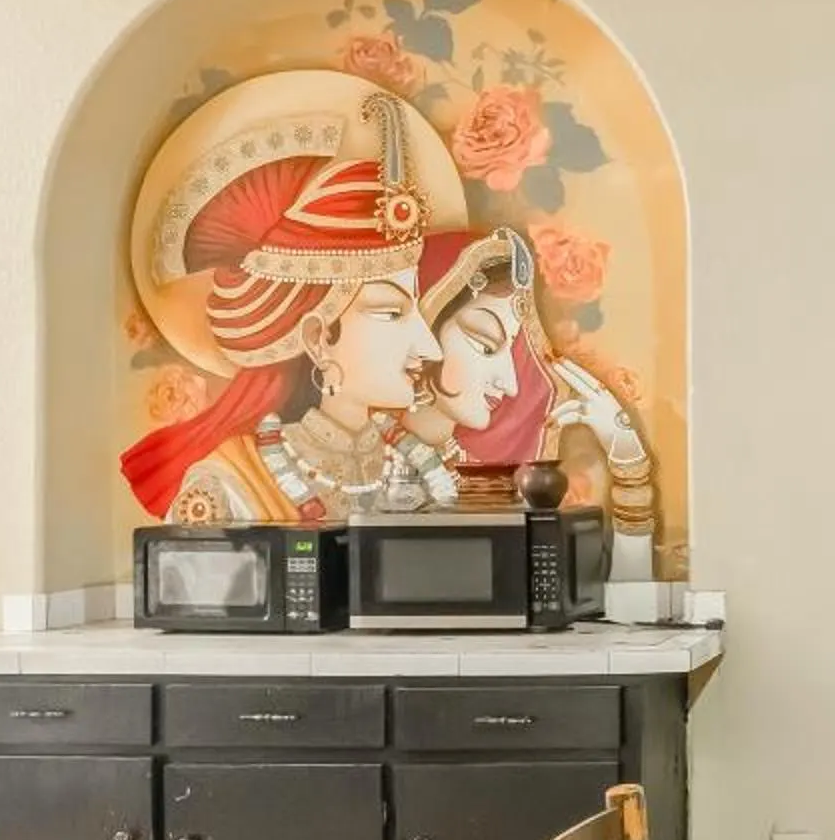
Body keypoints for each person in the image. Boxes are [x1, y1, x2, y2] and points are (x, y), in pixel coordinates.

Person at [122, 93, 457, 523]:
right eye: (391, 314)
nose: (428, 347)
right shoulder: (227, 486)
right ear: (318, 338)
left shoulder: (419, 469)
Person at [410, 227, 657, 578]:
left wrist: (628, 463)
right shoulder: (336, 465)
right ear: (423, 328)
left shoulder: (486, 482)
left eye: (512, 351)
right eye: (484, 344)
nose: (509, 385)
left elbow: (629, 615)